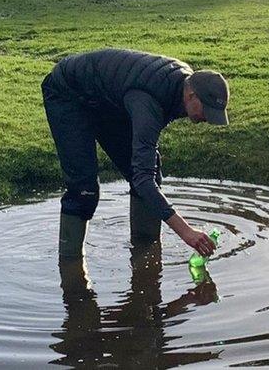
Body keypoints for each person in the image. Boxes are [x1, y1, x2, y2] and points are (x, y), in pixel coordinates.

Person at [41, 48, 228, 260]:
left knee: (150, 172)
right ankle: (70, 265)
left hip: (107, 100)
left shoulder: (184, 86)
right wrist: (186, 232)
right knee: (84, 190)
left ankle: (145, 253)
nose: (207, 119)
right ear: (191, 95)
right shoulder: (149, 101)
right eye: (206, 110)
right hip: (68, 93)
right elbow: (143, 179)